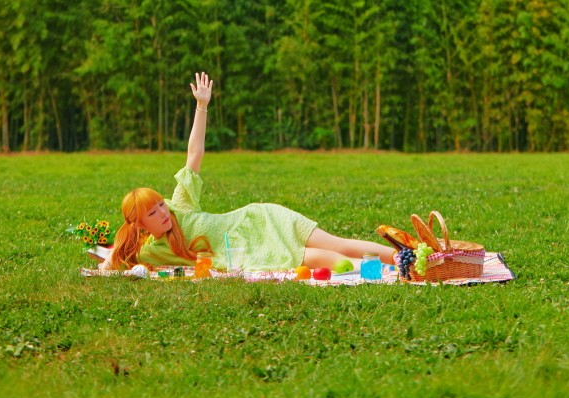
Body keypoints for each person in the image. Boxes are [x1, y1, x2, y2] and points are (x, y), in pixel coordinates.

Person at [102, 72, 395, 273]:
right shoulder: (150, 252)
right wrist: (108, 260)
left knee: (339, 244)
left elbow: (194, 153)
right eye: (153, 213)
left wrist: (201, 107)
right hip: (250, 250)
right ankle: (398, 270)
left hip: (260, 219)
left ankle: (407, 255)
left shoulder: (181, 205)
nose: (164, 213)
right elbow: (112, 258)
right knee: (329, 260)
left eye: (160, 205)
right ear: (140, 225)